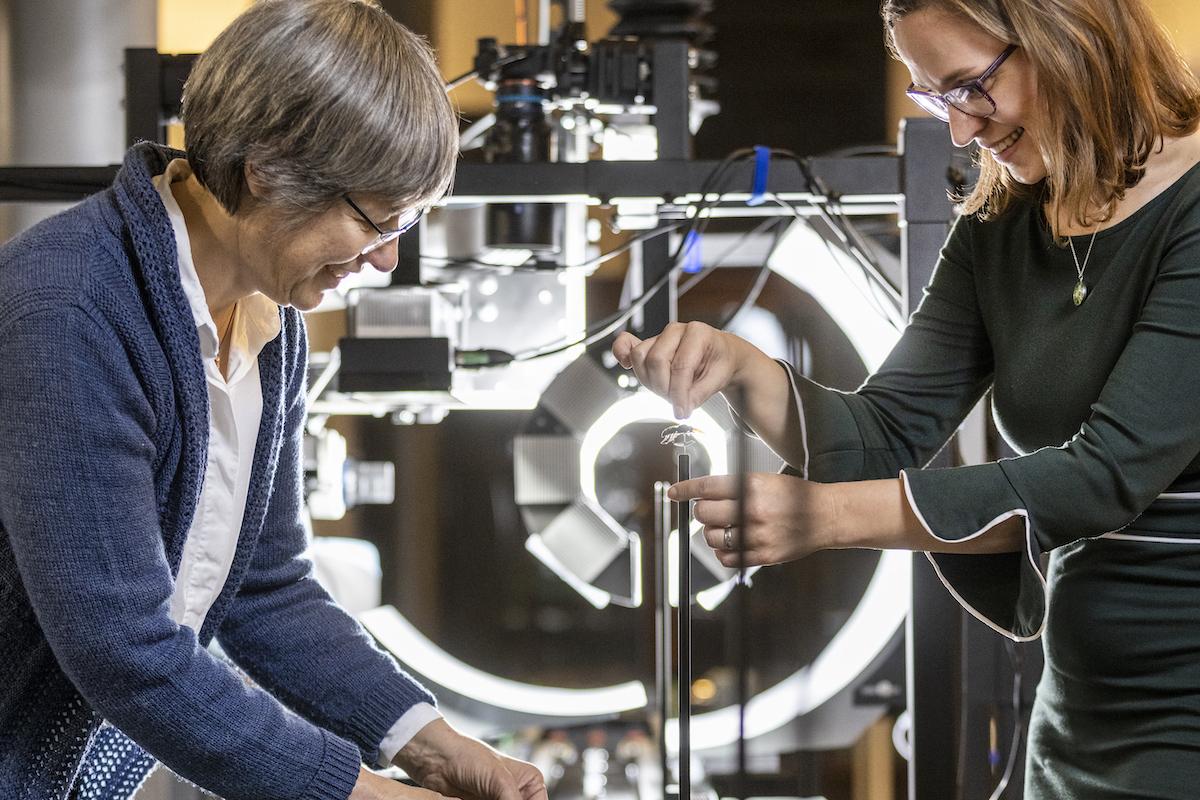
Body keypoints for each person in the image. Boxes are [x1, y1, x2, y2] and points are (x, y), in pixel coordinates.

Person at [613, 0, 1200, 796]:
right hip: (1079, 717)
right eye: (935, 99)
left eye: (969, 87)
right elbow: (887, 430)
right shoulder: (1003, 222)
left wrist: (828, 520)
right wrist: (743, 368)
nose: (960, 132)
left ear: (1068, 35)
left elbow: (1105, 476)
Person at [0, 2, 547, 800]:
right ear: (267, 168)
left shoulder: (272, 315)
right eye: (377, 218)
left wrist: (428, 744)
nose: (389, 260)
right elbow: (124, 652)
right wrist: (363, 795)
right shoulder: (71, 308)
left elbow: (265, 581)